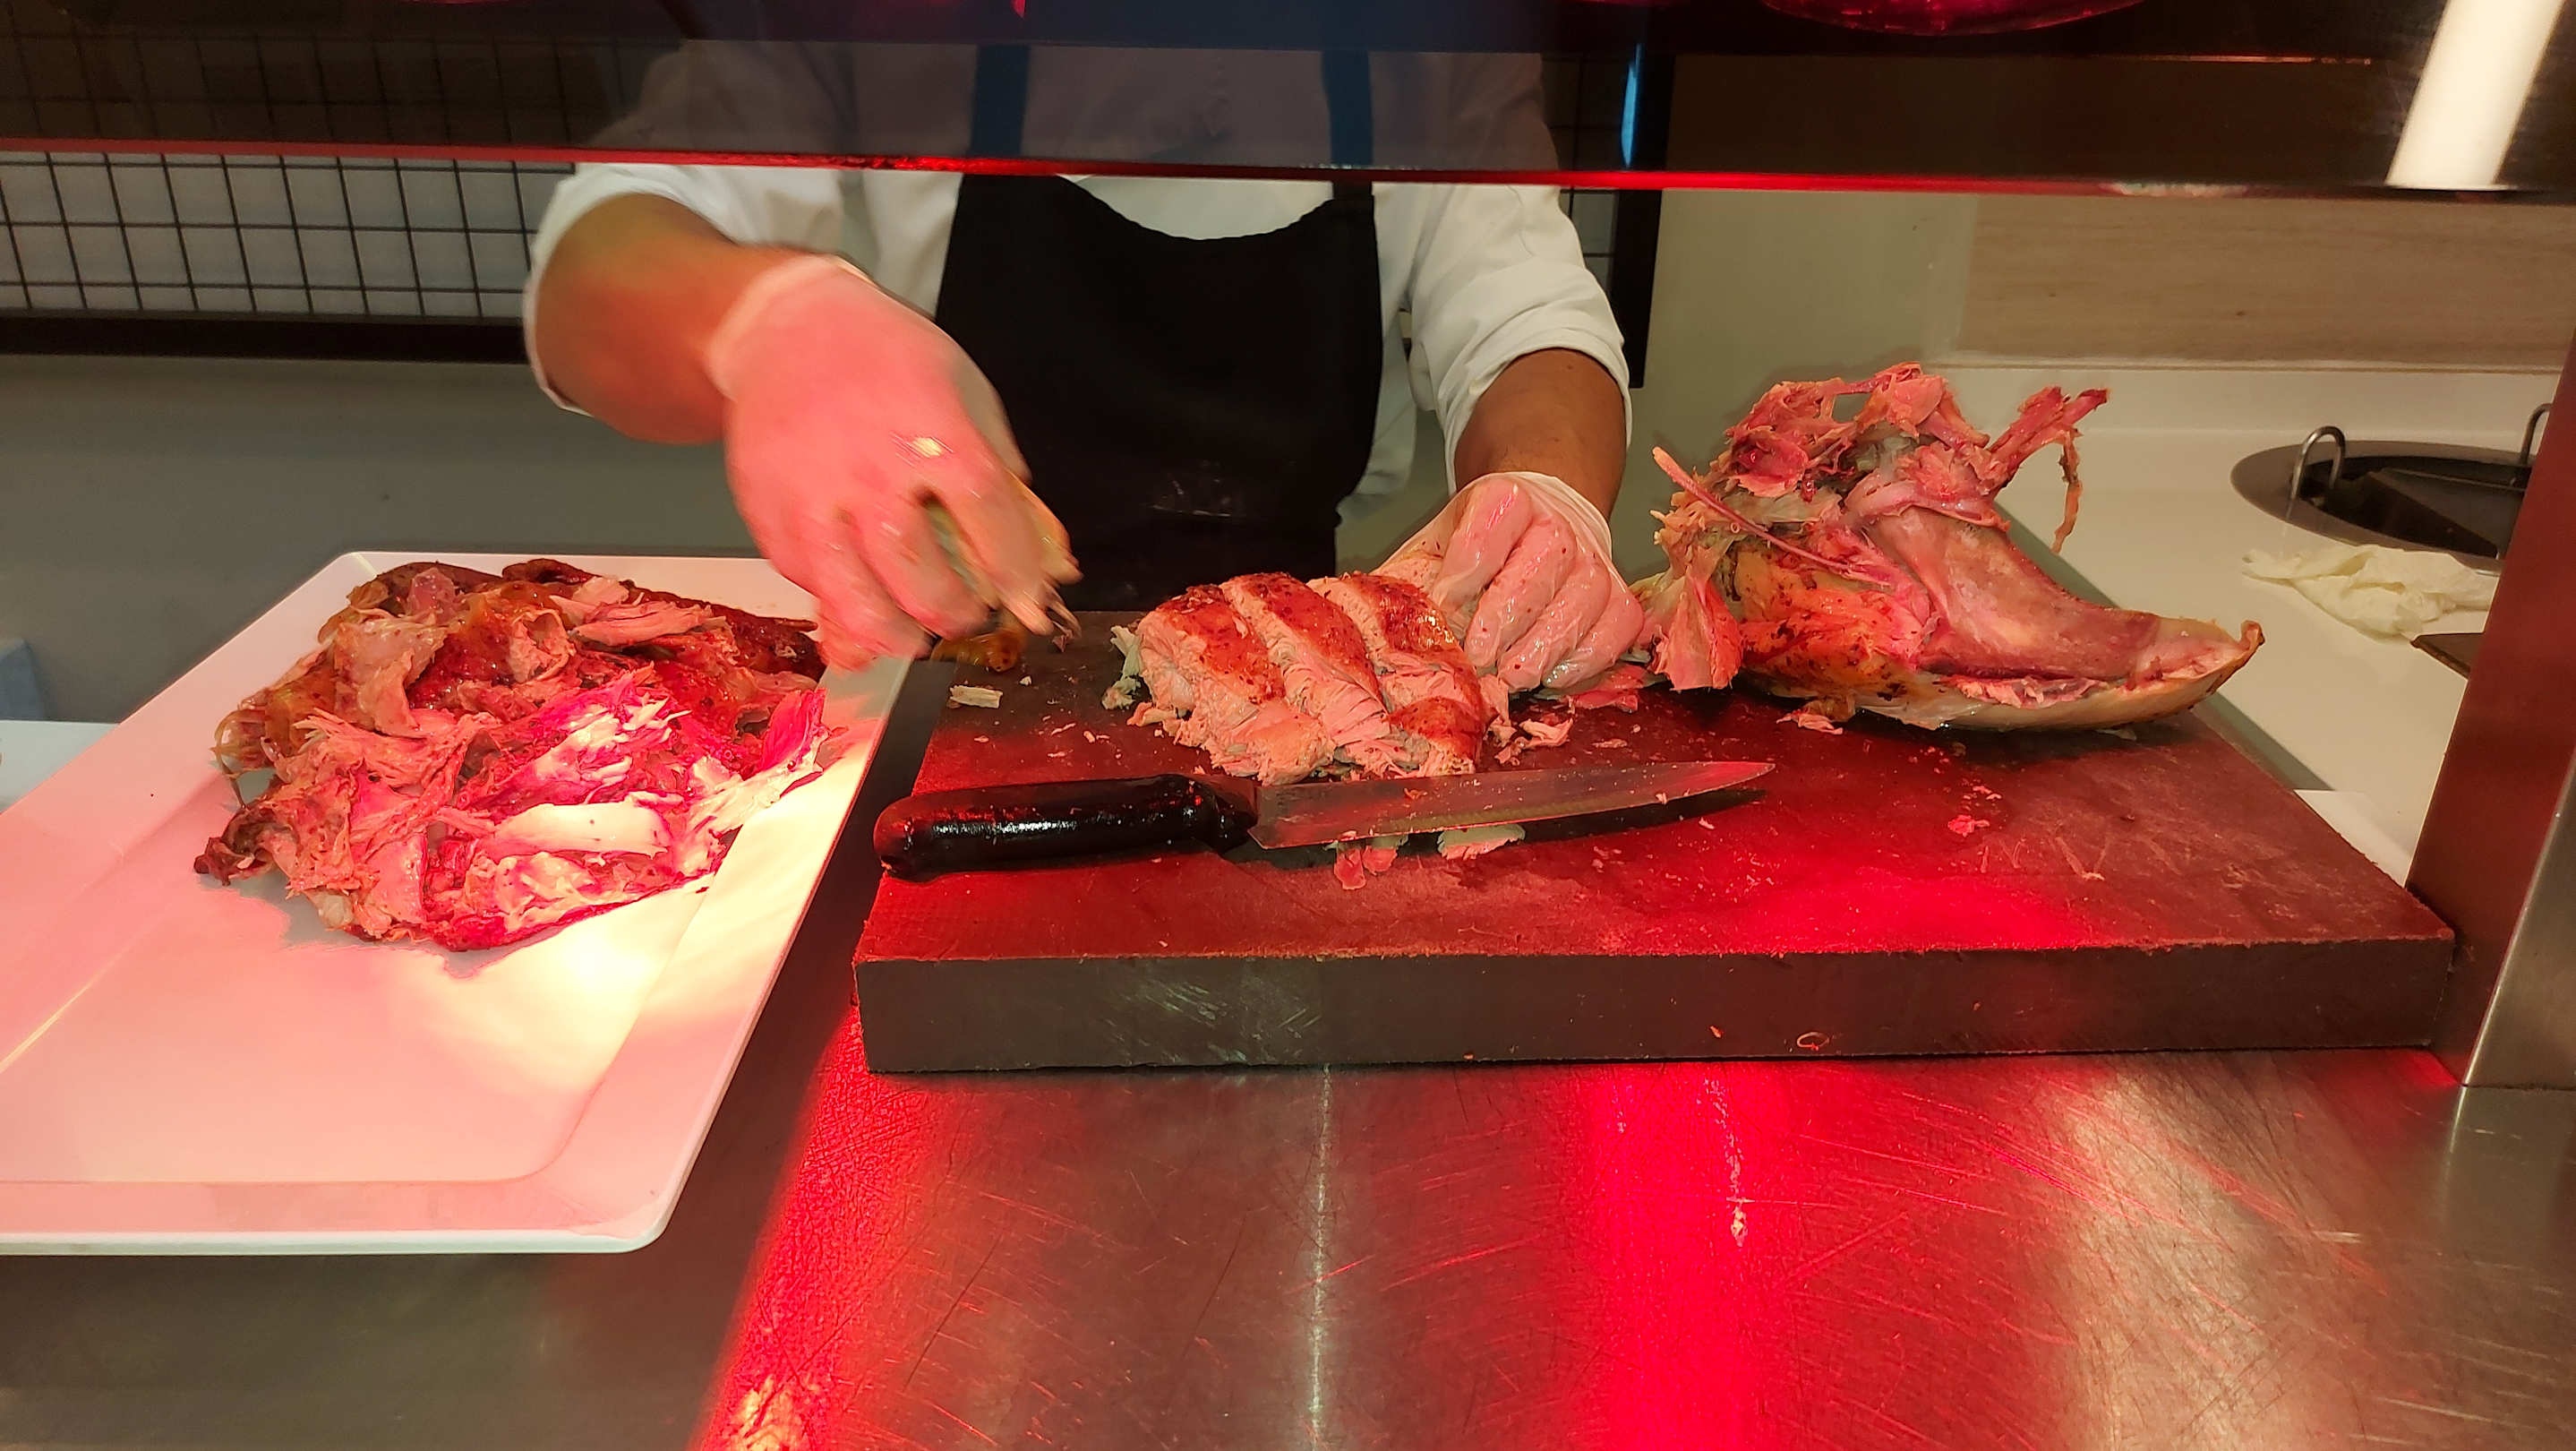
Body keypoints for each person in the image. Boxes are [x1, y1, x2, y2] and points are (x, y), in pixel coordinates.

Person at [526, 42, 1633, 683]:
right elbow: (596, 263)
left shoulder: (1427, 48)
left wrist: (1545, 496)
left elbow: (1531, 321)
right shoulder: (884, 28)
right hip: (934, 653)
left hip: (1292, 658)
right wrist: (765, 321)